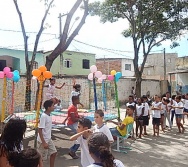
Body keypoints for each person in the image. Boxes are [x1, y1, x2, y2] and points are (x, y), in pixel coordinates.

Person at [37, 100, 57, 167]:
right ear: (48, 107)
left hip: (48, 139)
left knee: (54, 153)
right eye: (53, 106)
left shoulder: (49, 115)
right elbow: (40, 130)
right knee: (40, 159)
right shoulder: (44, 116)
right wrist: (43, 142)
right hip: (43, 141)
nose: (54, 107)